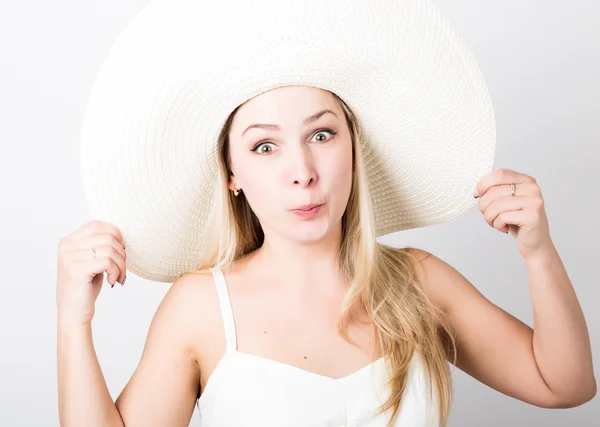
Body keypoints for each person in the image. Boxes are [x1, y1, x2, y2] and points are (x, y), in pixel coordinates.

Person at [56, 2, 596, 427]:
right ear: (232, 176)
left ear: (354, 150)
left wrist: (539, 254)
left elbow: (565, 386)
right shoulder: (200, 307)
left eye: (321, 134)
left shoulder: (419, 283)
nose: (303, 171)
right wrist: (73, 321)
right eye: (264, 147)